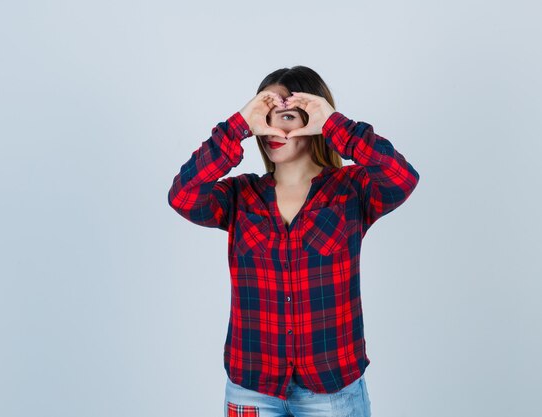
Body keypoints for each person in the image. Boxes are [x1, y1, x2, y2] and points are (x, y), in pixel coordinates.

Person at [167, 65, 420, 417]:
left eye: (286, 116)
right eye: (265, 118)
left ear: (311, 120)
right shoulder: (241, 196)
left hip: (331, 391)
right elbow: (182, 196)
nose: (273, 129)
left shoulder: (351, 190)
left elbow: (402, 177)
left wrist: (335, 125)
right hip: (252, 388)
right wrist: (239, 124)